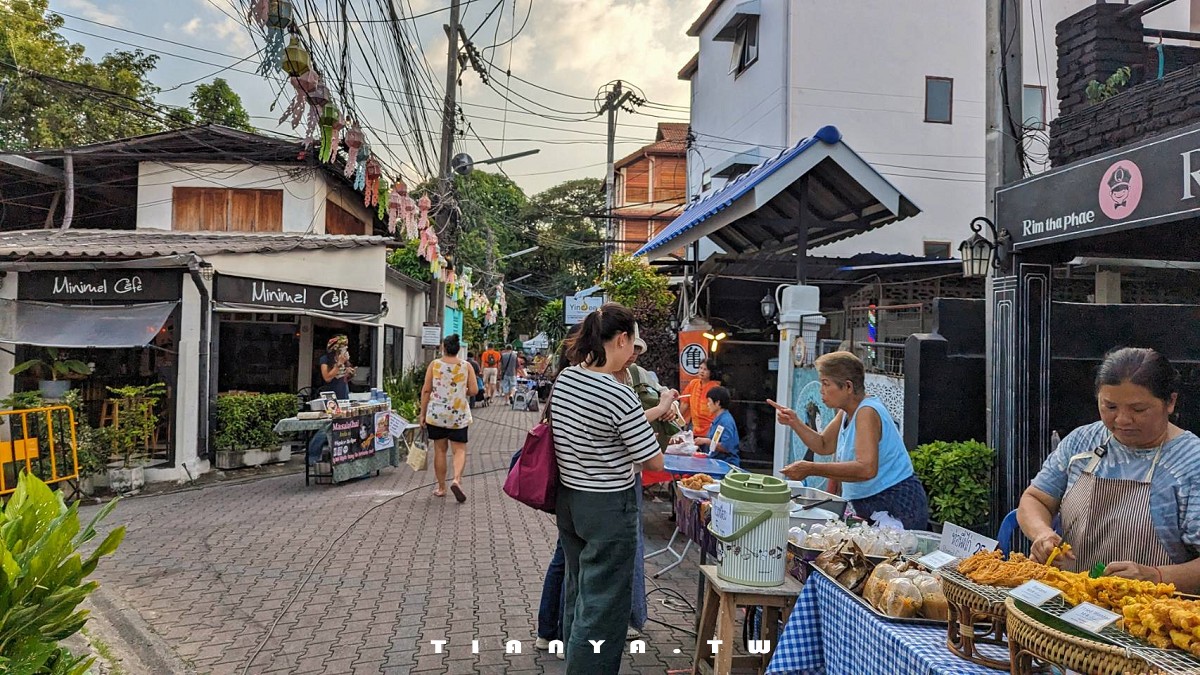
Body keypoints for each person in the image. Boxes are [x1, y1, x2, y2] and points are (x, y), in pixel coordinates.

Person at [551, 303, 677, 672]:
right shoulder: (617, 393)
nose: (632, 352)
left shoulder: (568, 379)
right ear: (621, 340)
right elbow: (652, 460)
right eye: (631, 343)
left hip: (570, 501)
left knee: (579, 593)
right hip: (608, 506)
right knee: (604, 606)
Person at [1018, 347, 1200, 585]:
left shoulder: (1191, 461)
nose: (1122, 420)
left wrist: (1155, 576)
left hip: (1150, 612)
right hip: (1069, 600)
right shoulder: (1083, 441)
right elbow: (1035, 499)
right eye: (1110, 407)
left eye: (1138, 409)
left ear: (1170, 402)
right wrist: (1042, 534)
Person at [770, 351, 929, 529]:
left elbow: (867, 468)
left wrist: (811, 468)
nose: (821, 390)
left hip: (895, 503)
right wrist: (794, 422)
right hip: (870, 504)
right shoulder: (846, 412)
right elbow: (823, 445)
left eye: (825, 384)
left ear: (848, 387)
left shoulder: (866, 412)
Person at [419, 334, 479, 503]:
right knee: (459, 449)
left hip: (437, 414)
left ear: (443, 347)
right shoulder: (466, 366)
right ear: (458, 349)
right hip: (458, 415)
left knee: (440, 450)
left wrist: (422, 413)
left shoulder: (435, 365)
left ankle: (441, 487)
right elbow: (474, 390)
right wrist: (461, 391)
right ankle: (456, 480)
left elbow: (426, 390)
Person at [696, 386, 741, 467]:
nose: (707, 404)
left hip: (726, 465)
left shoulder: (726, 421)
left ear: (717, 403)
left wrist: (706, 441)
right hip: (715, 462)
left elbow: (726, 447)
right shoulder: (718, 419)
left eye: (709, 401)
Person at [680, 359, 721, 436]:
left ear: (711, 372)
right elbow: (685, 403)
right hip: (694, 427)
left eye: (705, 369)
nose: (702, 371)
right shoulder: (693, 383)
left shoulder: (715, 387)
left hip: (710, 428)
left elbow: (719, 409)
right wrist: (677, 418)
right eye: (700, 368)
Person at [318, 335, 355, 400]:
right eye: (343, 346)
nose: (346, 347)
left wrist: (350, 373)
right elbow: (327, 378)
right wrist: (339, 364)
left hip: (344, 394)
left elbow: (345, 379)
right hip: (330, 395)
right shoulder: (325, 359)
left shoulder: (344, 359)